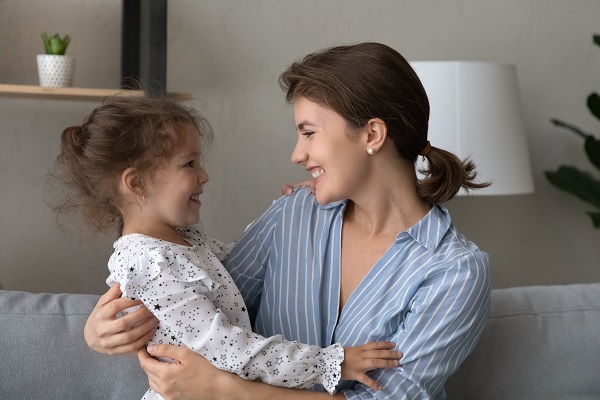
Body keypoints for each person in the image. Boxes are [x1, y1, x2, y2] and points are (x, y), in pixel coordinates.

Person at [84, 42, 492, 399]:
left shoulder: (455, 272)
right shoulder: (293, 214)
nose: (297, 154)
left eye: (309, 132)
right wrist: (103, 329)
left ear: (372, 135)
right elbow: (198, 294)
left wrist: (228, 392)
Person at [46, 96, 402, 400]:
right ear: (136, 183)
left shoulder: (184, 241)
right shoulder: (148, 263)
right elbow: (233, 351)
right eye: (189, 163)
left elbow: (242, 256)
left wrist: (287, 213)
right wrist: (331, 363)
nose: (204, 175)